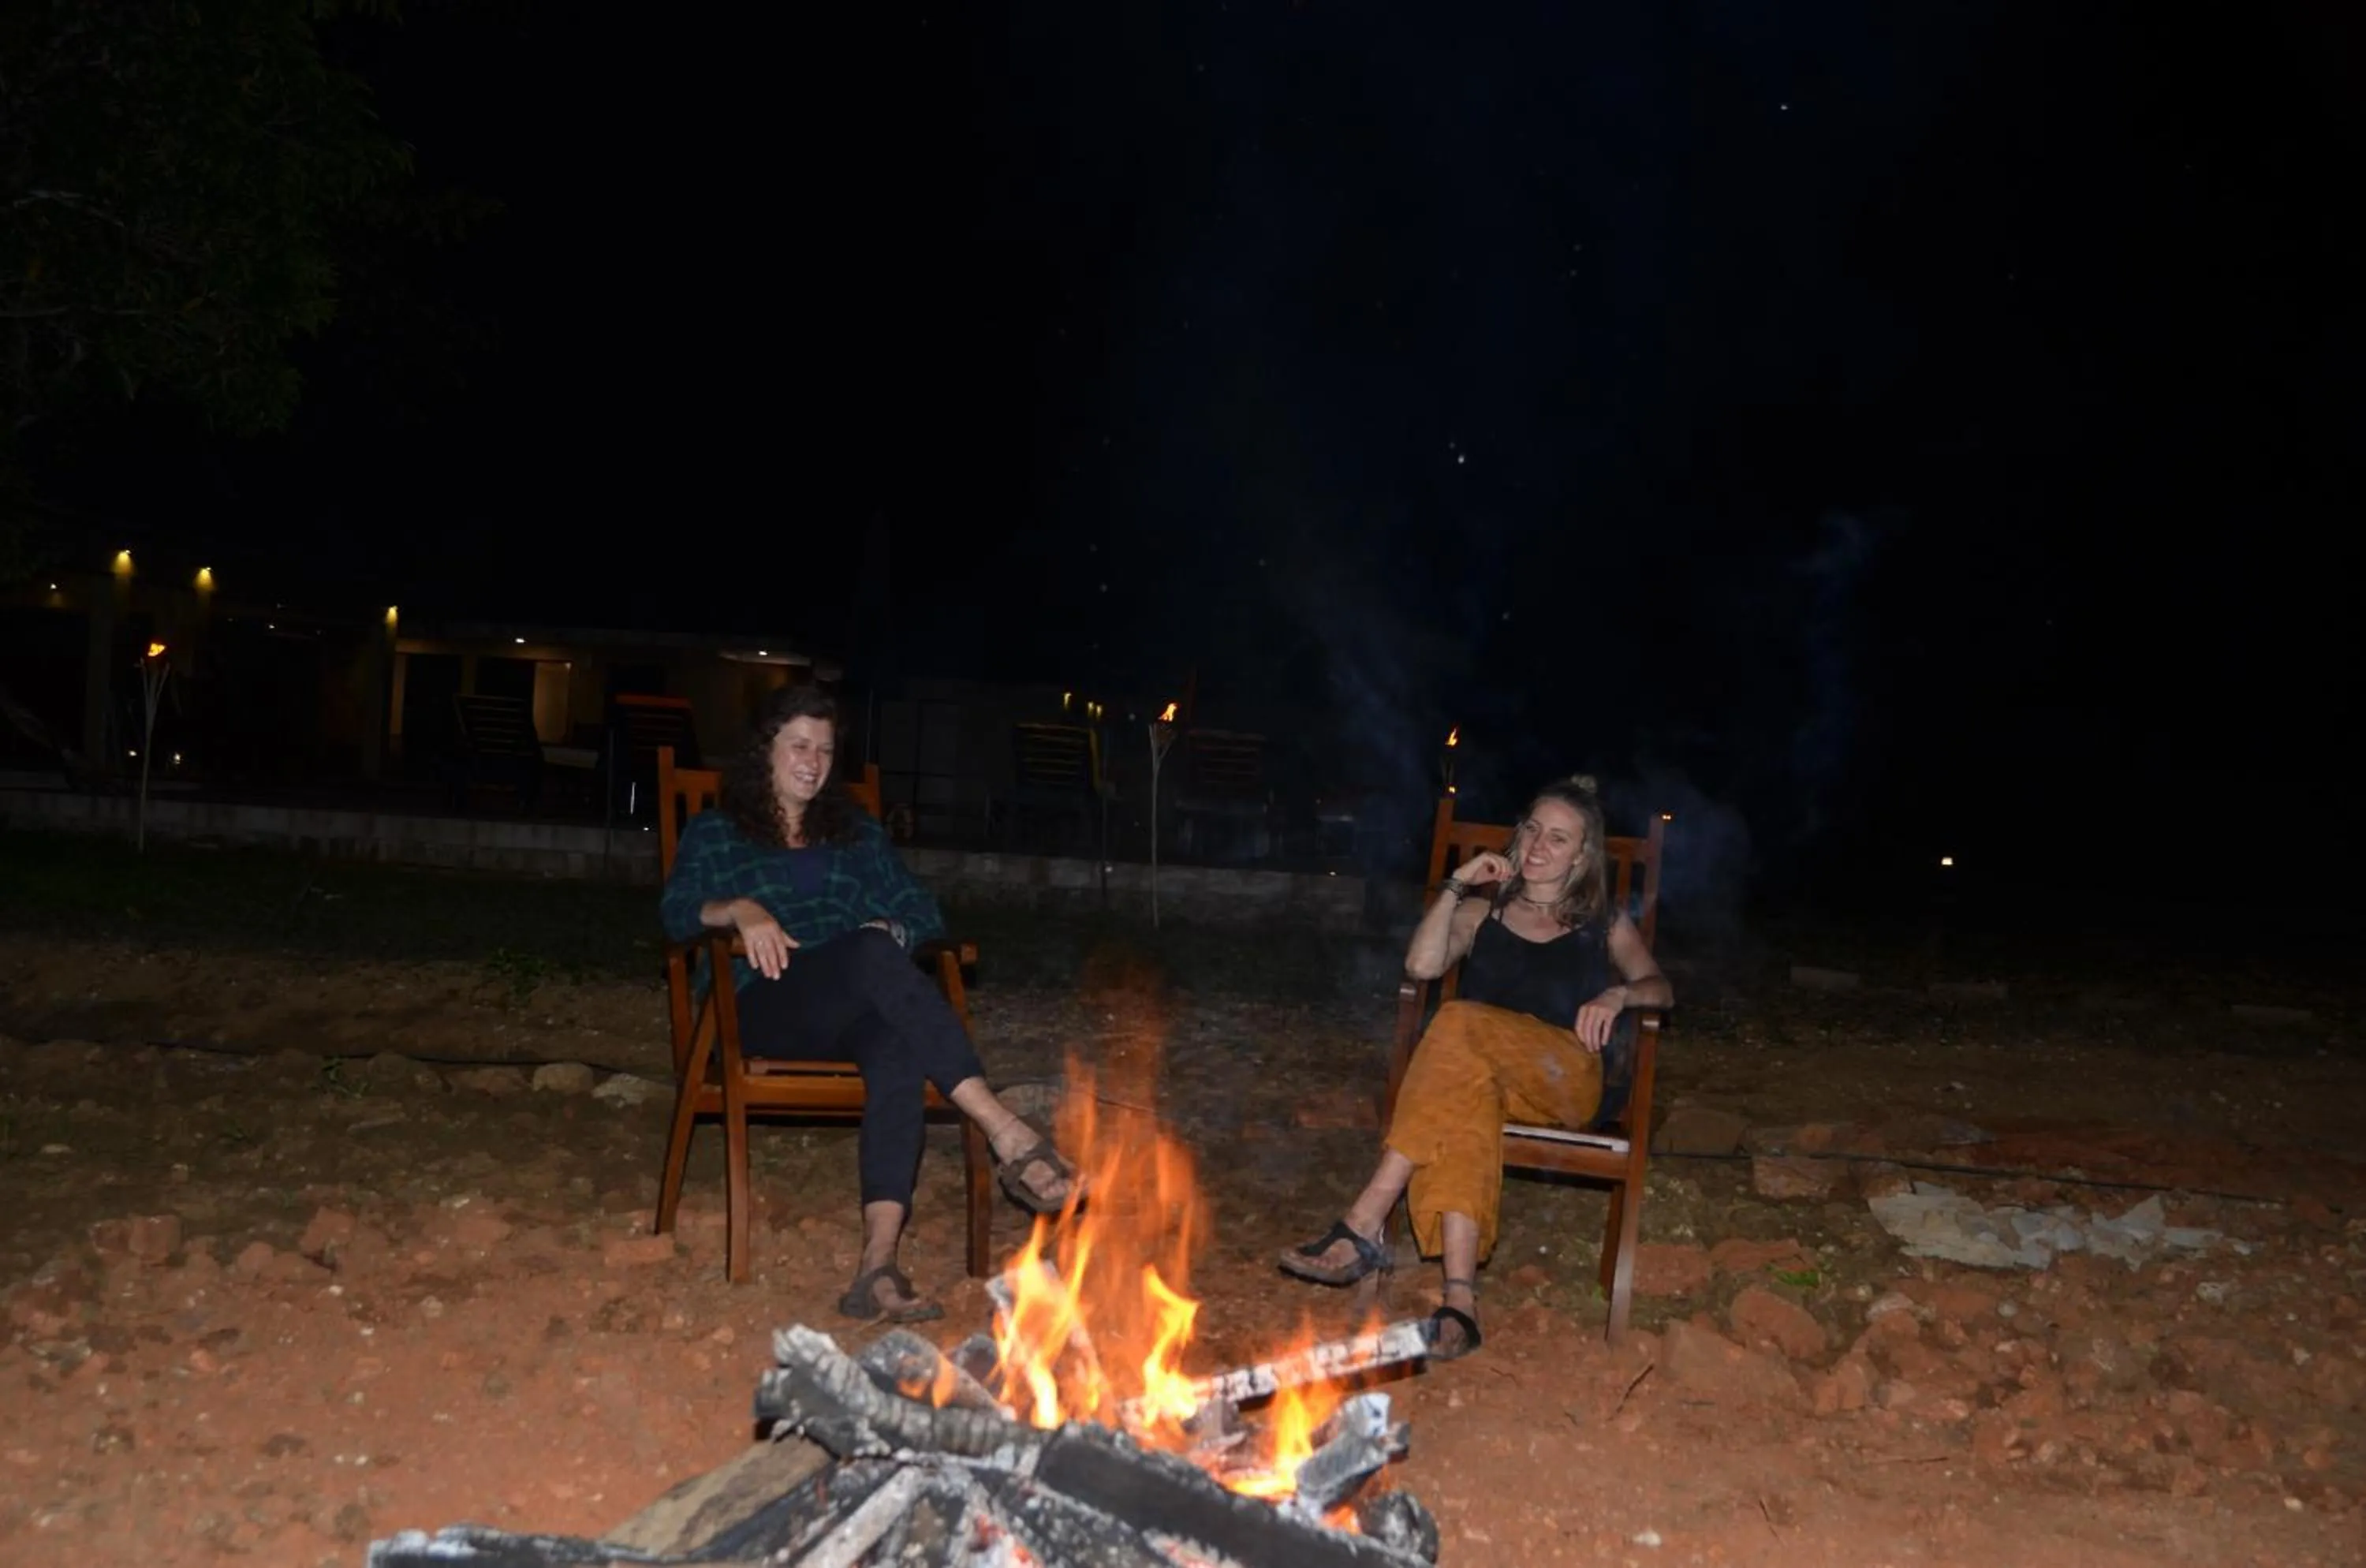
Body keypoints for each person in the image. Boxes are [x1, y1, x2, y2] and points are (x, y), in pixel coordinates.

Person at [660, 685, 1080, 1323]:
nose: (814, 761)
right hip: (760, 1005)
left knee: (896, 1044)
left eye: (826, 750)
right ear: (765, 750)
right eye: (799, 745)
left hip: (852, 1000)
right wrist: (738, 909)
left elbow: (921, 911)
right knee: (868, 953)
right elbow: (675, 912)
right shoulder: (717, 832)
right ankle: (1006, 1130)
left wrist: (896, 931)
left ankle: (876, 1266)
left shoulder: (856, 834)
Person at [1278, 775, 1672, 1359]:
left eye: (1558, 838)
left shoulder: (1602, 922)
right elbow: (1421, 965)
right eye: (1532, 829)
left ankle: (1365, 1220)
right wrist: (1457, 885)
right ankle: (1460, 1303)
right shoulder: (1483, 911)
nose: (1538, 845)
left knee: (1458, 1021)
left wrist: (1619, 995)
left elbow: (1661, 988)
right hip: (1488, 1079)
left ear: (1582, 855)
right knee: (1466, 1100)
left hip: (1566, 1079)